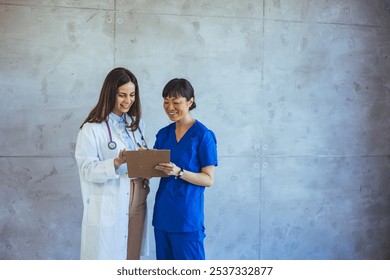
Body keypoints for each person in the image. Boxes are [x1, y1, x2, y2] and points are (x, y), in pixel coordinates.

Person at [75, 67, 149, 260]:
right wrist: (115, 162)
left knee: (132, 258)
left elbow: (139, 162)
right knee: (108, 259)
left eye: (132, 95)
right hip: (111, 202)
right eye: (122, 95)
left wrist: (149, 161)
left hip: (138, 202)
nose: (128, 100)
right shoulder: (91, 129)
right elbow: (87, 170)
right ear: (110, 94)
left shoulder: (137, 125)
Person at [153, 78, 218, 260]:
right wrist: (142, 159)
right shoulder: (163, 134)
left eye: (176, 102)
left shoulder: (203, 135)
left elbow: (208, 179)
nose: (170, 107)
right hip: (163, 216)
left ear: (190, 102)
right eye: (166, 101)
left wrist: (179, 172)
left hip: (187, 219)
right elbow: (155, 169)